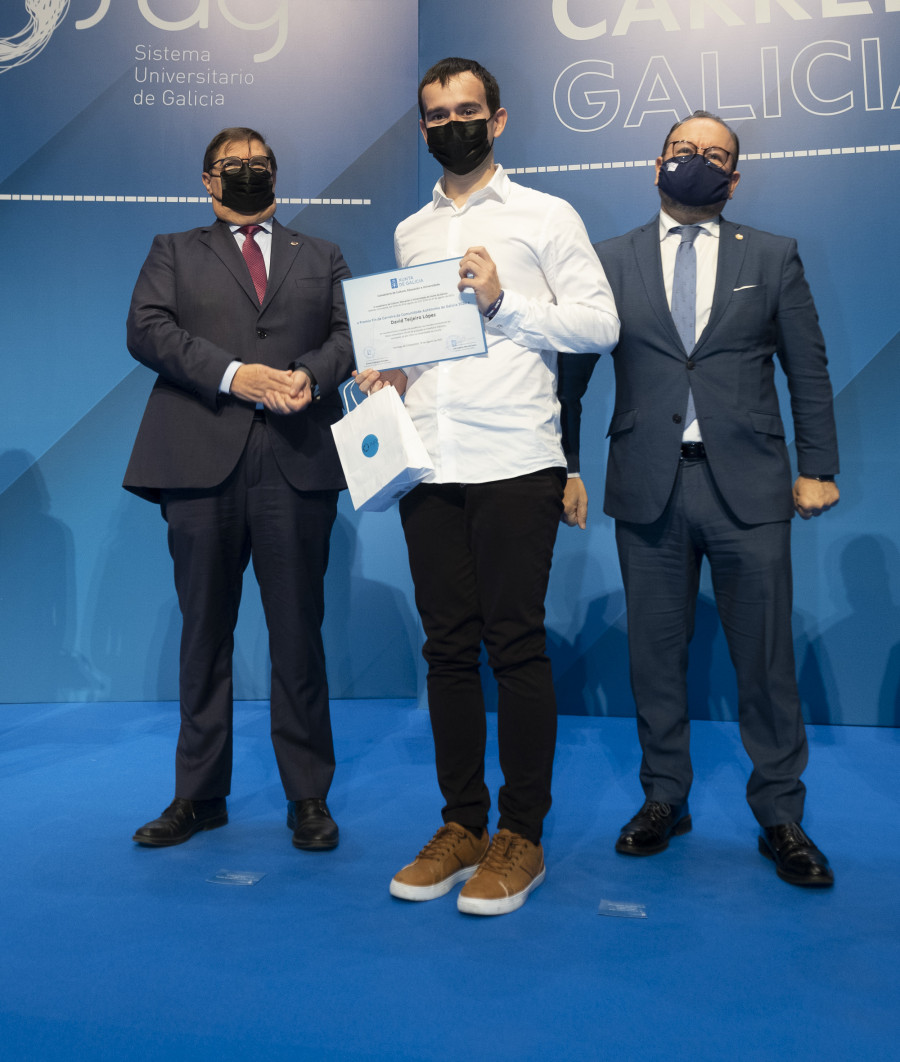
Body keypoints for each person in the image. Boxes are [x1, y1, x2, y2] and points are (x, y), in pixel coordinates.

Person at [356, 57, 619, 915]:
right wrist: (387, 373)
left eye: (466, 110)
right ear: (423, 126)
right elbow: (419, 343)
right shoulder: (408, 232)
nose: (450, 124)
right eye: (435, 114)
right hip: (431, 463)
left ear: (498, 121)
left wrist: (506, 303)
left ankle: (522, 837)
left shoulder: (547, 214)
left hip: (516, 460)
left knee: (515, 644)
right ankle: (462, 824)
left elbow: (600, 324)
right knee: (446, 649)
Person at [559, 110, 839, 888]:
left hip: (749, 487)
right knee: (653, 657)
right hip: (648, 486)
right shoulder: (608, 261)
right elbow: (569, 377)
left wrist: (818, 465)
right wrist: (563, 467)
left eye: (716, 156)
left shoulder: (774, 256)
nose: (698, 163)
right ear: (656, 164)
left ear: (736, 177)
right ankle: (664, 798)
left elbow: (807, 372)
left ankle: (781, 814)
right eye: (685, 151)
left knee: (766, 662)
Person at [124, 126, 353, 851]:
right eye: (234, 165)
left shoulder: (322, 254)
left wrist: (313, 373)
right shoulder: (172, 250)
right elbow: (146, 329)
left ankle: (309, 797)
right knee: (204, 636)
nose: (249, 172)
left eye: (261, 163)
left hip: (297, 459)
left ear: (277, 174)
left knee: (297, 637)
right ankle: (199, 795)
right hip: (198, 463)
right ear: (206, 180)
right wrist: (234, 375)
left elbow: (352, 334)